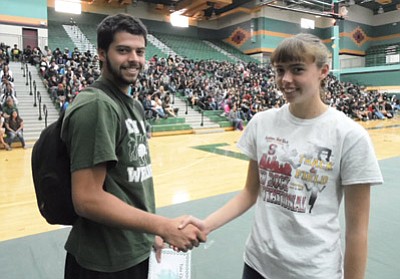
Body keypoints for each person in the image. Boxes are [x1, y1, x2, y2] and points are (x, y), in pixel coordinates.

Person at [179, 33, 383, 279]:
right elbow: (249, 193)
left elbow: (357, 232)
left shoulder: (350, 136)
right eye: (279, 70)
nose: (286, 80)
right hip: (258, 264)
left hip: (313, 271)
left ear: (323, 71)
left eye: (297, 69)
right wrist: (206, 224)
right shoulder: (262, 123)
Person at [60, 13, 205, 279]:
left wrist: (148, 232)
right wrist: (162, 225)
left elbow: (129, 185)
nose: (134, 59)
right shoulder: (96, 106)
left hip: (132, 249)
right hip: (104, 262)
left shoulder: (134, 105)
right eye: (123, 50)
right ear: (102, 53)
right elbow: (87, 199)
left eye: (140, 51)